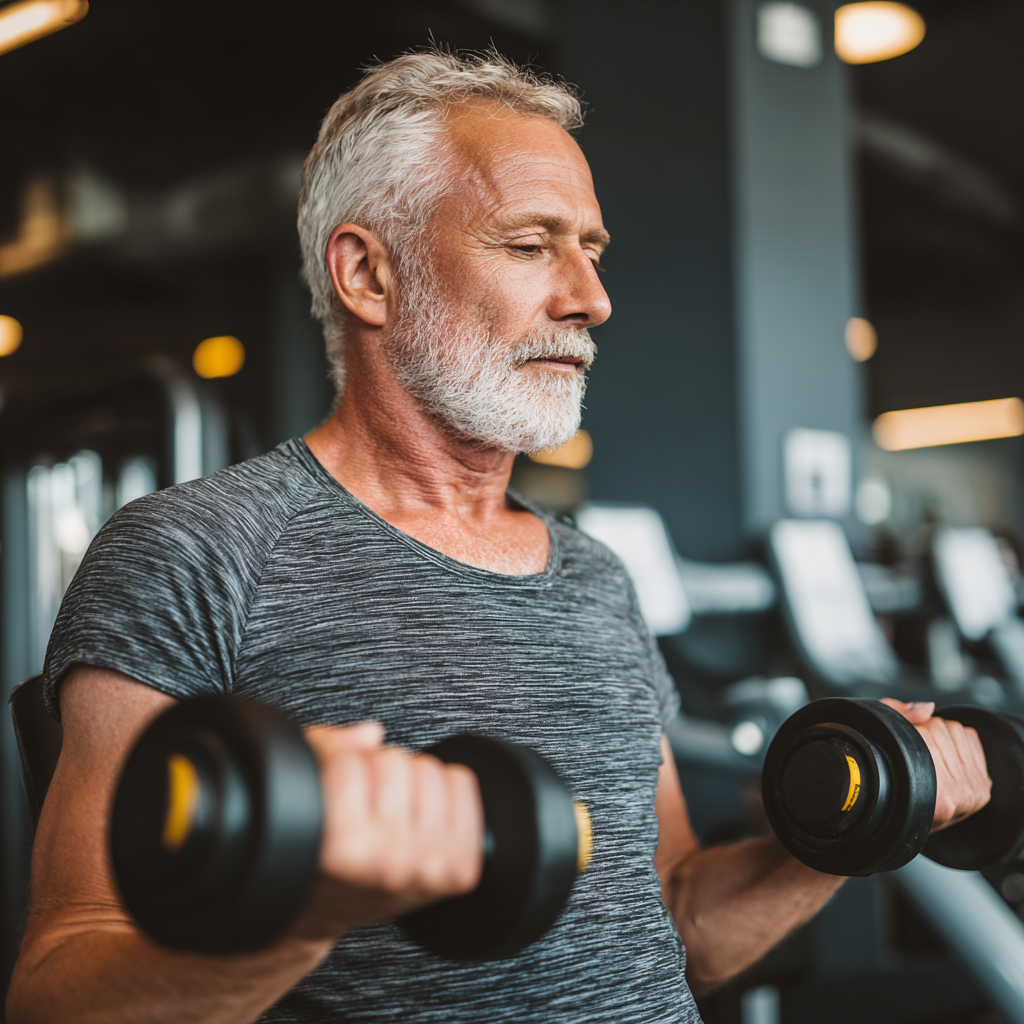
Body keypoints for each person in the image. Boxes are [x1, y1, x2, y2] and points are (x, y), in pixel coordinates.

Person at [6, 49, 991, 1024]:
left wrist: (859, 819)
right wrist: (296, 919)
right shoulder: (195, 551)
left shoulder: (593, 576)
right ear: (367, 274)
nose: (590, 299)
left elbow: (675, 926)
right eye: (529, 245)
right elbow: (58, 988)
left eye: (591, 249)